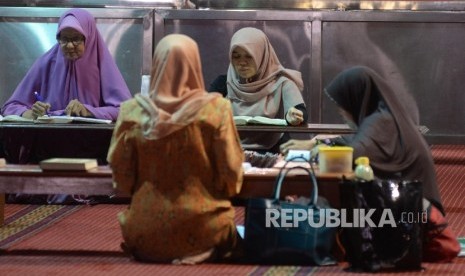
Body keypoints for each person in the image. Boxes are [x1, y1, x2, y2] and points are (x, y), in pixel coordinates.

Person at [107, 34, 244, 264]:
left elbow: (122, 180)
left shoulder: (132, 112)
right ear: (195, 64)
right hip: (205, 229)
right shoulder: (216, 110)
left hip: (143, 232)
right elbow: (230, 175)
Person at [280, 66, 444, 214]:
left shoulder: (380, 121)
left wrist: (320, 152)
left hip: (416, 211)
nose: (341, 112)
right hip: (411, 200)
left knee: (331, 211)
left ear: (356, 97)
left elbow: (355, 152)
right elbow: (356, 140)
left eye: (342, 104)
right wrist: (315, 143)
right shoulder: (383, 117)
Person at [1, 8, 131, 120]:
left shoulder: (102, 64)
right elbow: (10, 107)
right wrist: (30, 113)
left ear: (89, 37)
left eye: (76, 39)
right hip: (48, 144)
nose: (69, 45)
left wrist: (88, 111)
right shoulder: (46, 63)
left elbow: (126, 110)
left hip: (95, 145)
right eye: (64, 39)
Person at [209, 27, 308, 153]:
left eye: (249, 56)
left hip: (275, 150)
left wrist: (293, 116)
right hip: (230, 151)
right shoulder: (223, 83)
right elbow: (206, 114)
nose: (242, 63)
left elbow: (301, 113)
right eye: (236, 57)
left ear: (262, 55)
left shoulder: (282, 83)